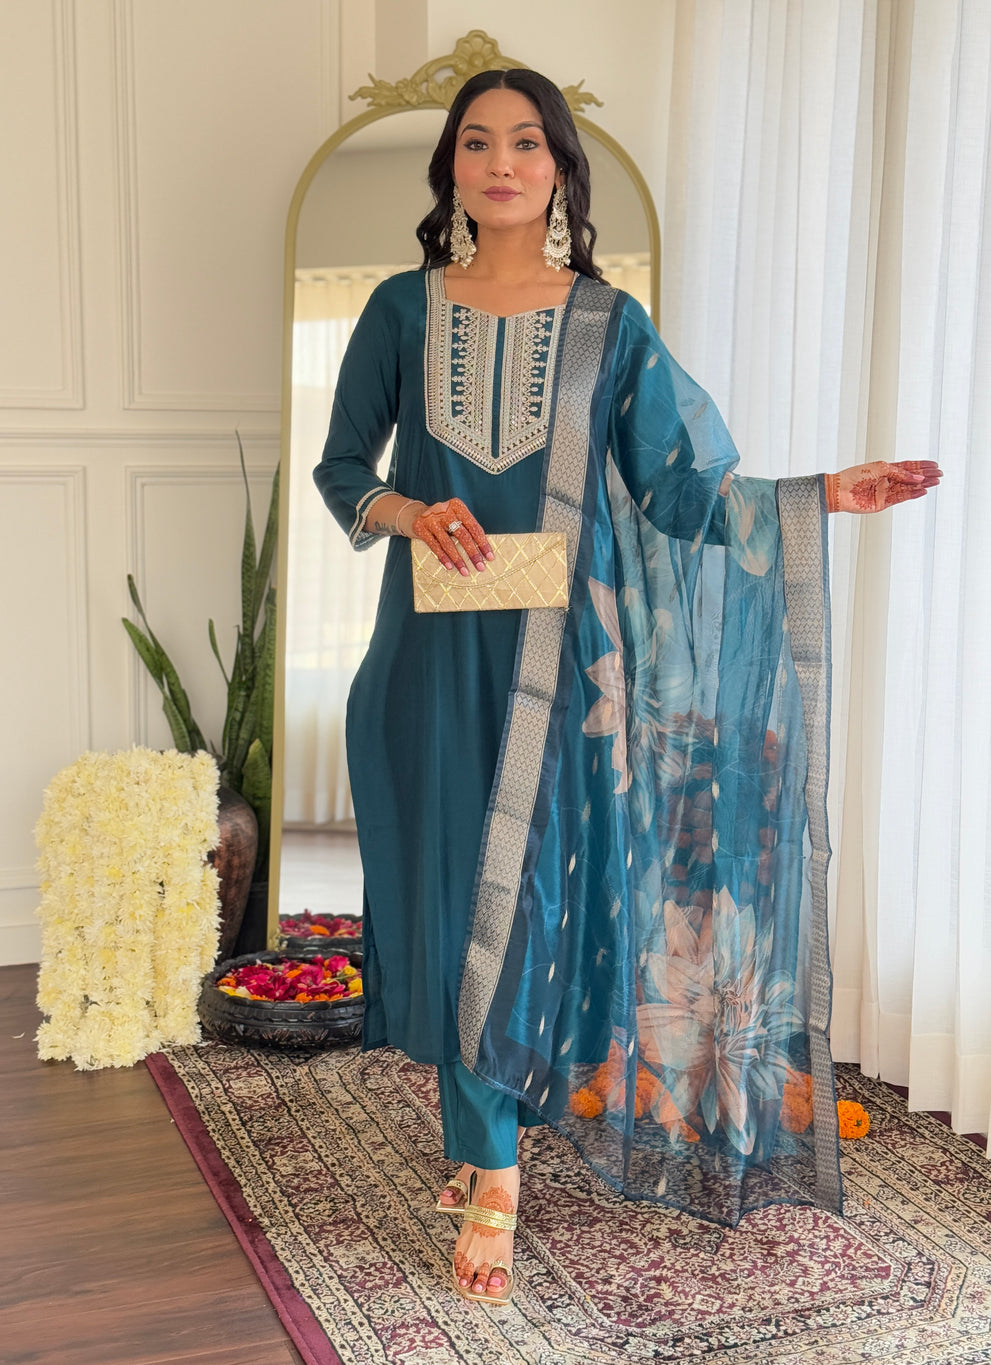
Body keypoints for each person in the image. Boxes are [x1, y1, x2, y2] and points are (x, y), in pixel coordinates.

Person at [313, 67, 941, 1307]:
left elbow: (680, 496)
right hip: (429, 665)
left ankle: (491, 1165)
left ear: (558, 170)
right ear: (450, 169)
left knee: (535, 897)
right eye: (477, 143)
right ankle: (481, 1147)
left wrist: (820, 495)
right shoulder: (397, 310)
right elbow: (341, 469)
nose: (501, 162)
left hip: (570, 673)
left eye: (527, 143)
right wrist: (407, 509)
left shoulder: (607, 324)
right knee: (452, 899)